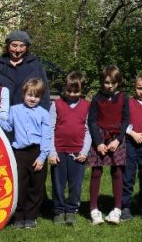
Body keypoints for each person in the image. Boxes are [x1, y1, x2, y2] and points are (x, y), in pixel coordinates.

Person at [0, 78, 54, 229]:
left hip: (37, 153)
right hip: (20, 153)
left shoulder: (43, 113)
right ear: (24, 94)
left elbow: (47, 136)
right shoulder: (15, 110)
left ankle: (31, 216)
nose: (32, 99)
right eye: (30, 95)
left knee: (36, 186)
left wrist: (43, 157)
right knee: (20, 185)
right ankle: (19, 216)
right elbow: (8, 126)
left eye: (36, 96)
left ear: (41, 98)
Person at [87, 65, 130, 225]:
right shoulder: (96, 98)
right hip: (100, 137)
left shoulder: (124, 98)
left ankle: (117, 209)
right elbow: (91, 121)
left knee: (117, 172)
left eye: (113, 82)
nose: (110, 86)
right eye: (106, 82)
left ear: (118, 82)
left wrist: (118, 139)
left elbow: (126, 120)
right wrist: (98, 143)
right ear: (102, 82)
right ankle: (93, 209)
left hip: (116, 139)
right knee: (96, 172)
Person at [49, 72, 91, 225]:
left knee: (75, 184)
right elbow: (50, 129)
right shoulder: (56, 105)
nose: (72, 94)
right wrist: (52, 152)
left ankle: (72, 210)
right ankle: (59, 211)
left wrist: (84, 152)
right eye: (69, 90)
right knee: (58, 184)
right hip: (59, 151)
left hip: (77, 152)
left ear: (82, 90)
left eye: (76, 91)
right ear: (65, 88)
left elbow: (88, 130)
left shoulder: (87, 106)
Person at [122, 73, 142, 221]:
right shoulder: (128, 102)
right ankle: (125, 206)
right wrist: (132, 133)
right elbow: (122, 121)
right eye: (138, 88)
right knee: (128, 176)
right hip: (130, 142)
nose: (141, 92)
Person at [0, 30, 48, 108]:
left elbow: (44, 93)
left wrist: (43, 115)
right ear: (8, 46)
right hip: (1, 115)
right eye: (14, 45)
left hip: (29, 114)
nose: (18, 50)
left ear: (26, 47)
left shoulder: (36, 66)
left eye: (22, 46)